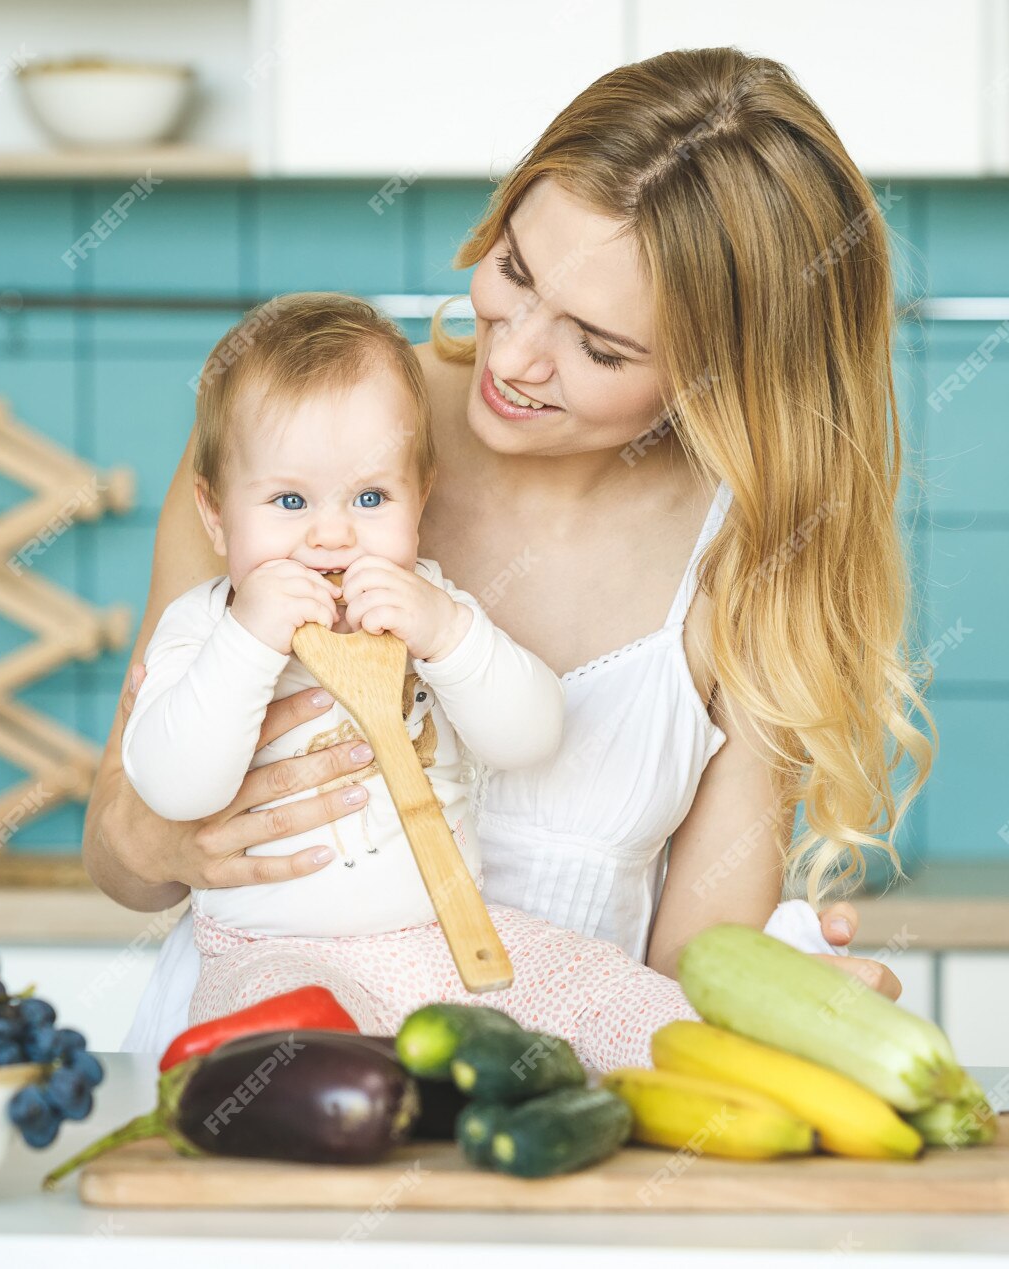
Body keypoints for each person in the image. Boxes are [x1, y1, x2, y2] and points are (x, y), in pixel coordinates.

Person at [85, 46, 930, 1056]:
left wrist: (785, 998)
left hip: (552, 1118)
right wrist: (172, 833)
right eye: (515, 272)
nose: (515, 355)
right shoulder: (303, 440)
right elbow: (122, 856)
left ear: (724, 373)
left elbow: (694, 967)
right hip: (271, 1063)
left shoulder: (754, 554)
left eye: (598, 347)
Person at [121, 291, 705, 1072]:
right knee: (292, 1054)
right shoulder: (204, 630)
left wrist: (448, 634)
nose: (333, 533)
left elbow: (532, 736)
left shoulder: (427, 603)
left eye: (371, 498)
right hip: (275, 952)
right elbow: (175, 786)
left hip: (449, 936)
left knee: (619, 997)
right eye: (289, 501)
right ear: (217, 515)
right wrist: (247, 639)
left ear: (420, 497)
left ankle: (718, 1077)